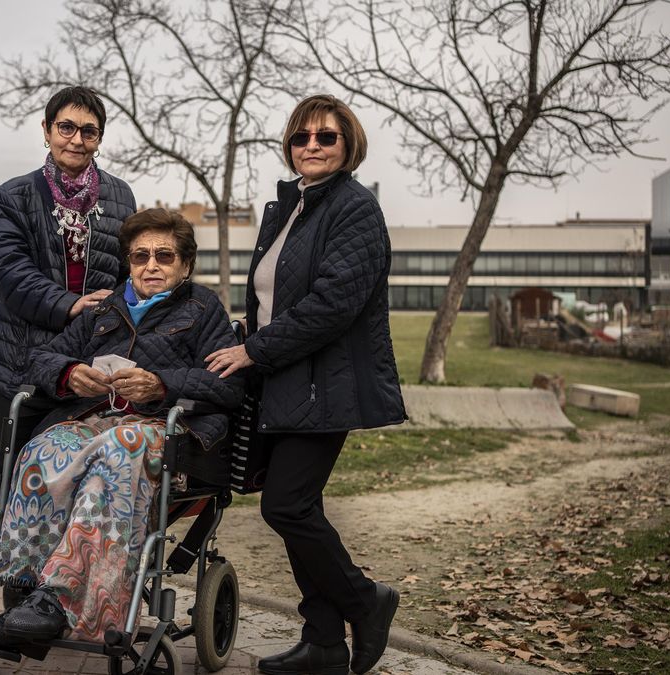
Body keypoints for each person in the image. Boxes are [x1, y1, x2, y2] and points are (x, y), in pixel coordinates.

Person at [0, 208, 244, 648]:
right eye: (140, 256)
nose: (151, 265)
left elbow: (228, 385)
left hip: (164, 430)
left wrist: (161, 384)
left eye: (164, 256)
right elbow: (42, 357)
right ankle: (26, 593)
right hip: (94, 419)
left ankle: (60, 602)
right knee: (43, 448)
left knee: (117, 450)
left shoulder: (203, 308)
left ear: (185, 264)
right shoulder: (107, 306)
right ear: (128, 262)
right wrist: (69, 372)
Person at [205, 94, 407, 675]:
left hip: (326, 384)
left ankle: (366, 600)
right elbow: (277, 299)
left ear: (349, 146)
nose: (312, 147)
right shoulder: (290, 206)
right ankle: (323, 643)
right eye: (302, 138)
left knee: (287, 506)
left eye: (326, 138)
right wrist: (242, 334)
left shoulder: (355, 208)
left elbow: (331, 306)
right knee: (298, 506)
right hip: (283, 378)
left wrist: (254, 350)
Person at [0, 86, 137, 485]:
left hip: (88, 361)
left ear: (99, 139)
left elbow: (127, 275)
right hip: (20, 359)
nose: (77, 139)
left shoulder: (120, 196)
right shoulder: (11, 197)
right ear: (47, 130)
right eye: (66, 127)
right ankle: (11, 546)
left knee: (75, 471)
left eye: (89, 131)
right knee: (15, 472)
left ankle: (70, 548)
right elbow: (10, 275)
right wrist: (73, 305)